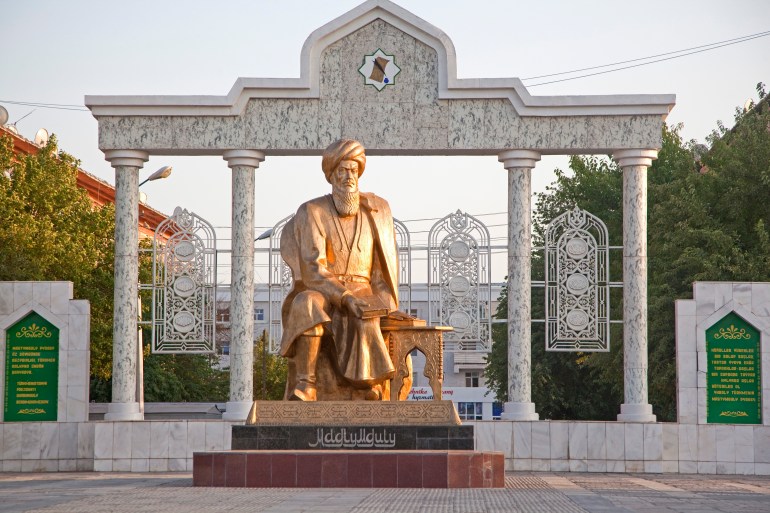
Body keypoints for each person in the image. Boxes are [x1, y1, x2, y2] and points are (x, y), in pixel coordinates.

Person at [279, 138, 403, 401]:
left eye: (353, 170)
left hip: (363, 288)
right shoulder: (312, 211)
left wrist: (384, 303)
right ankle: (306, 385)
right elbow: (313, 268)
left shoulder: (376, 211)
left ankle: (367, 384)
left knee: (366, 311)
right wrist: (344, 297)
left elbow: (383, 270)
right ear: (331, 174)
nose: (349, 177)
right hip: (323, 288)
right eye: (343, 170)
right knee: (306, 304)